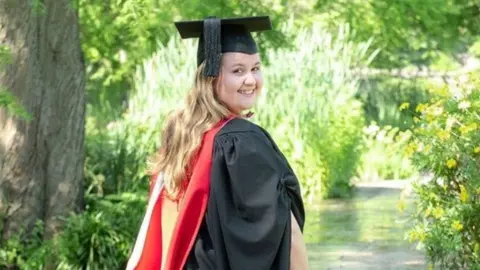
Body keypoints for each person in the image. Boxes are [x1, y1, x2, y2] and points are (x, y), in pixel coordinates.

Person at [127, 15, 308, 270]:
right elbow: (288, 235)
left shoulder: (181, 132)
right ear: (210, 76)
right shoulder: (243, 141)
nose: (251, 80)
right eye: (238, 71)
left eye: (255, 68)